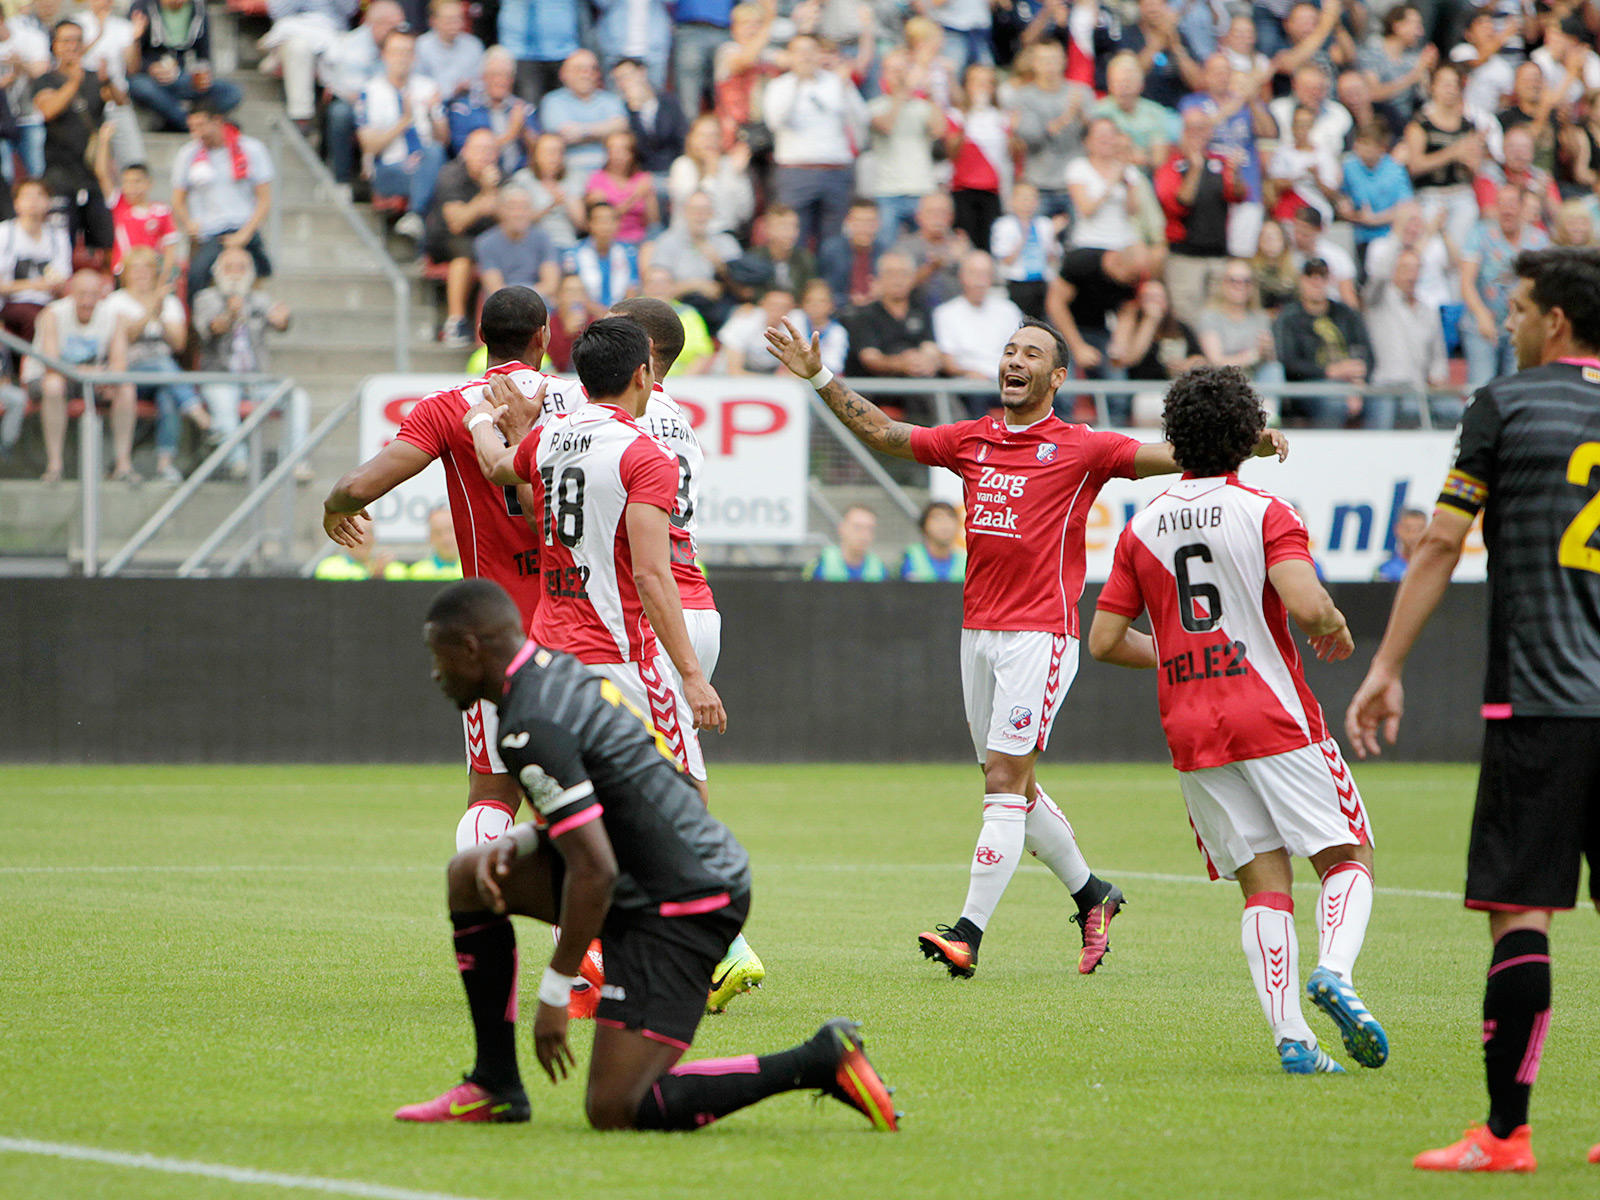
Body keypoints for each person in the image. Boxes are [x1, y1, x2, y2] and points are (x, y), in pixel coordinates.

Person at [766, 313, 1289, 979]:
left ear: (1057, 377)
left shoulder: (1082, 448)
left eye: (1032, 353)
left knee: (1003, 783)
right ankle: (1093, 895)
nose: (1015, 359)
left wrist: (1249, 444)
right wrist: (818, 376)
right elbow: (885, 433)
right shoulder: (971, 439)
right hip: (977, 635)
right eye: (1010, 350)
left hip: (1040, 635)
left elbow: (1176, 456)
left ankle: (967, 934)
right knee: (1014, 786)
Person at [396, 579, 897, 1132]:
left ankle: (819, 1060)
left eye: (438, 656)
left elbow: (594, 871)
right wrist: (526, 840)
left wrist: (557, 988)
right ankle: (494, 1086)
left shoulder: (528, 723)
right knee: (469, 874)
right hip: (645, 870)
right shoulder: (552, 672)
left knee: (615, 1107)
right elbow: (619, 794)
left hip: (686, 901)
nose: (435, 674)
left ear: (470, 649)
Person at [1345, 247, 1600, 1174]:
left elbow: (1443, 541)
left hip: (1542, 698)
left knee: (1520, 912)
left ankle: (1505, 1133)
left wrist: (1386, 667)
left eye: (1520, 309)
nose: (1510, 324)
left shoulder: (1507, 404)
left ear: (1556, 322)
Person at [1089, 364, 1381, 1077]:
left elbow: (1103, 640)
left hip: (1191, 726)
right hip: (1273, 714)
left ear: (1175, 436)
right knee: (1347, 855)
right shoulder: (1265, 511)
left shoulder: (1140, 528)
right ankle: (1335, 972)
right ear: (1247, 433)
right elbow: (1306, 604)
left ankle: (1293, 1040)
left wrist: (1178, 656)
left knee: (1263, 883)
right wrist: (1335, 624)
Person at [323, 287, 574, 852]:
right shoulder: (580, 402)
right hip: (573, 620)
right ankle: (584, 911)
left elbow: (357, 487)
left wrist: (335, 506)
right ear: (542, 337)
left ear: (481, 338)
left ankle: (481, 903)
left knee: (492, 793)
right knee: (575, 790)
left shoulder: (449, 407)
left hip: (494, 627)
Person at [465, 317, 721, 812]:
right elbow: (651, 574)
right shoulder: (647, 454)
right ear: (643, 374)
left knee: (571, 809)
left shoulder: (550, 436)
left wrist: (479, 422)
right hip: (621, 653)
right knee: (687, 800)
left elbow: (496, 466)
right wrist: (692, 675)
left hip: (552, 655)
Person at [191, 245, 310, 478]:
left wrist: (283, 319)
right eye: (229, 267)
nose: (236, 273)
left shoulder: (259, 299)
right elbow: (212, 328)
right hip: (220, 377)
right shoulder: (206, 298)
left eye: (241, 267)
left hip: (256, 380)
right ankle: (237, 463)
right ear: (218, 272)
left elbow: (279, 321)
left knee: (297, 398)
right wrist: (230, 315)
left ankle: (296, 462)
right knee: (224, 403)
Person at [106, 246, 205, 484]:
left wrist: (160, 314)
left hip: (164, 374)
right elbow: (125, 337)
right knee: (163, 366)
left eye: (147, 268)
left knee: (168, 394)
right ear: (126, 274)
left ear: (155, 273)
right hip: (129, 372)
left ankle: (165, 464)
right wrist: (151, 310)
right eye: (135, 269)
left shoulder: (169, 302)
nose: (141, 274)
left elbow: (179, 344)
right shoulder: (115, 301)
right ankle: (197, 411)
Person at [763, 34, 866, 251]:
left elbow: (861, 118)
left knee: (834, 244)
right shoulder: (779, 85)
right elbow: (775, 121)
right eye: (799, 51)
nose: (806, 57)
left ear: (819, 54)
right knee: (792, 240)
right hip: (796, 171)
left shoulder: (836, 82)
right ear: (790, 56)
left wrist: (846, 88)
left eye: (811, 51)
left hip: (835, 171)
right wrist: (798, 83)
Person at [30, 268, 133, 483]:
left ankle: (123, 465)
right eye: (82, 294)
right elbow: (51, 364)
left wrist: (103, 376)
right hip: (51, 378)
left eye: (93, 295)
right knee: (53, 385)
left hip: (93, 380)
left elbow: (119, 365)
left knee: (126, 387)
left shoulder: (115, 316)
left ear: (101, 294)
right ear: (71, 293)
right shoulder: (52, 314)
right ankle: (54, 465)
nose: (87, 301)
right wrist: (91, 373)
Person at [171, 99, 274, 305]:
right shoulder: (188, 154)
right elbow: (178, 198)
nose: (197, 133)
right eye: (193, 127)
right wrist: (189, 223)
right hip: (209, 232)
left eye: (201, 125)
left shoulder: (252, 149)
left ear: (217, 121)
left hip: (244, 226)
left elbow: (264, 199)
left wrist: (244, 234)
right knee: (196, 277)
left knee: (263, 270)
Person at [1157, 108, 1247, 326]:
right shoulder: (1171, 166)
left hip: (1218, 255)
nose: (1196, 134)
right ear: (1183, 132)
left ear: (1210, 132)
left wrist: (1236, 174)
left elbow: (1238, 195)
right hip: (1185, 256)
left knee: (1218, 318)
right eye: (1191, 128)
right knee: (1188, 318)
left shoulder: (1221, 163)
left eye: (1202, 128)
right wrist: (1195, 168)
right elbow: (1179, 204)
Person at [32, 19, 115, 251]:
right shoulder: (45, 79)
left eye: (78, 40)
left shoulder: (95, 77)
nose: (73, 46)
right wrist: (74, 82)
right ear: (55, 45)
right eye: (66, 41)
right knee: (61, 244)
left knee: (106, 242)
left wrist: (108, 80)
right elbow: (48, 110)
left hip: (94, 174)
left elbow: (119, 100)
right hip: (60, 174)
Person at [358, 29, 449, 238]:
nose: (402, 58)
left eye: (408, 52)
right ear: (385, 55)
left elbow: (443, 140)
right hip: (390, 167)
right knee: (439, 186)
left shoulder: (428, 87)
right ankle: (417, 219)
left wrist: (432, 115)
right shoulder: (370, 90)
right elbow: (369, 145)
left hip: (425, 164)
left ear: (415, 57)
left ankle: (415, 217)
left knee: (434, 155)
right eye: (397, 52)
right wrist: (405, 121)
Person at [1461, 183, 1551, 388]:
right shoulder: (1479, 234)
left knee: (1518, 386)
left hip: (1521, 327)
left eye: (1511, 203)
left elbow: (1545, 285)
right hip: (1482, 325)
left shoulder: (1538, 240)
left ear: (1522, 207)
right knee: (1480, 385)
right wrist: (1481, 315)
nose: (1506, 210)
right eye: (1501, 203)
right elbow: (1466, 282)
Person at [312, 1, 405, 189]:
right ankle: (341, 180)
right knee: (340, 114)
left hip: (392, 102)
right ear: (374, 24)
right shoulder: (353, 46)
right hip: (357, 104)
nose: (398, 32)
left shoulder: (401, 43)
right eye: (393, 26)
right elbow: (356, 94)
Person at [425, 128, 502, 347]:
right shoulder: (451, 174)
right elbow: (457, 223)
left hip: (488, 238)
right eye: (479, 150)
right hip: (447, 238)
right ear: (466, 152)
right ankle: (455, 321)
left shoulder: (502, 176)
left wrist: (492, 198)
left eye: (490, 151)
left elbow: (510, 218)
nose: (485, 156)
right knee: (466, 252)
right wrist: (487, 193)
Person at [1274, 257, 1372, 426]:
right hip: (1310, 386)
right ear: (1301, 280)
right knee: (1334, 403)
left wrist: (1357, 382)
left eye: (1322, 276)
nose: (1316, 282)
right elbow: (1289, 362)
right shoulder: (1288, 317)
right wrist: (1329, 371)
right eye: (1310, 276)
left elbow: (1366, 354)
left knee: (1381, 401)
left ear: (1329, 280)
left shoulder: (1346, 314)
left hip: (1352, 383)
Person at [1364, 247, 1452, 427]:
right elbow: (1378, 276)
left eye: (1415, 268)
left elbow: (1438, 354)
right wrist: (1397, 238)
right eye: (1405, 268)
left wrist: (1437, 375)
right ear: (1393, 270)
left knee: (1455, 411)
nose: (1411, 275)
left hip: (1418, 387)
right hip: (1385, 385)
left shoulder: (1428, 310)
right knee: (1382, 428)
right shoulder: (1379, 301)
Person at [866, 48, 943, 247]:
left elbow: (939, 130)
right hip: (887, 190)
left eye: (902, 70)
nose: (898, 76)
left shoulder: (922, 106)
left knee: (925, 249)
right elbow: (887, 126)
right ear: (883, 74)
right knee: (886, 248)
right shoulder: (874, 106)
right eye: (893, 70)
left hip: (921, 188)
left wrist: (930, 95)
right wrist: (901, 94)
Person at [934, 250, 1024, 417]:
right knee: (975, 396)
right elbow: (948, 362)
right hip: (968, 384)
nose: (979, 281)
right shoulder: (946, 313)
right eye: (974, 274)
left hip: (1006, 379)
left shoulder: (1008, 310)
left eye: (985, 274)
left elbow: (1022, 351)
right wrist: (969, 373)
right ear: (962, 276)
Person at [127, 0, 240, 133]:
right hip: (150, 80)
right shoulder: (142, 7)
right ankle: (190, 123)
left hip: (182, 78)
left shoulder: (198, 8)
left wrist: (203, 75)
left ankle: (174, 120)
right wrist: (149, 68)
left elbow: (204, 57)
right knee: (141, 86)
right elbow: (129, 64)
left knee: (232, 92)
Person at [1010, 41, 1093, 221]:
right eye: (1044, 60)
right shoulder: (1024, 97)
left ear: (1064, 61)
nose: (1049, 66)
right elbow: (1031, 139)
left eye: (1054, 60)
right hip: (1039, 185)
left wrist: (1082, 116)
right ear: (1034, 63)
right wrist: (1066, 117)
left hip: (1075, 184)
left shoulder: (1082, 93)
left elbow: (1095, 136)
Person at [259, 0, 362, 135]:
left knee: (348, 54)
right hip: (296, 32)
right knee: (298, 48)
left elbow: (351, 10)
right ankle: (301, 117)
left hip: (336, 34)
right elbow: (277, 11)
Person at [640, 191, 736, 324]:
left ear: (712, 213)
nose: (700, 216)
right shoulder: (667, 242)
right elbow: (656, 289)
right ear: (684, 212)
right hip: (679, 308)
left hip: (720, 307)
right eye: (695, 210)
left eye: (705, 210)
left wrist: (721, 267)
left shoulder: (727, 242)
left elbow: (743, 290)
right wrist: (696, 285)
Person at [944, 63, 1011, 253]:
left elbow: (1013, 154)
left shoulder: (1002, 117)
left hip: (993, 190)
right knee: (965, 244)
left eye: (987, 82)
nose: (982, 87)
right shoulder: (955, 115)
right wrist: (964, 123)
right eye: (977, 82)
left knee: (990, 246)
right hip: (962, 189)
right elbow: (951, 153)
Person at [448, 47, 537, 178]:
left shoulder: (524, 108)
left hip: (519, 176)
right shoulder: (463, 109)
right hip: (477, 177)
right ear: (483, 77)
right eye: (495, 75)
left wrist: (524, 132)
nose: (501, 81)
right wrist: (511, 133)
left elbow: (539, 153)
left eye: (506, 75)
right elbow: (463, 152)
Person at [1337, 120, 1412, 274]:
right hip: (1360, 235)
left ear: (1381, 148)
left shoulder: (1395, 170)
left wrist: (1374, 219)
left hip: (1388, 236)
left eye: (1368, 145)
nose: (1363, 149)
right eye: (1361, 143)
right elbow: (1342, 196)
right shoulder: (1349, 166)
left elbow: (1405, 207)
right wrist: (1347, 209)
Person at [0, 178, 70, 342]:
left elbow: (63, 277)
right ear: (16, 204)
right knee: (36, 319)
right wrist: (34, 285)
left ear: (48, 203)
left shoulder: (58, 237)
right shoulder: (4, 233)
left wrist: (56, 284)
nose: (33, 201)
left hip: (48, 303)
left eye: (39, 195)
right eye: (27, 196)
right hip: (12, 303)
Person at [539, 49, 627, 179]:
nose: (586, 75)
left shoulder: (611, 100)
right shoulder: (553, 101)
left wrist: (582, 131)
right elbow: (566, 133)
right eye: (579, 69)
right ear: (564, 74)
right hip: (567, 173)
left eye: (592, 69)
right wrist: (603, 131)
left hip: (609, 172)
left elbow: (620, 127)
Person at [1197, 259, 1282, 386]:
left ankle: (1267, 400)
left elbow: (1270, 359)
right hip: (1221, 381)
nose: (1240, 286)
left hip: (1255, 379)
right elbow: (1216, 362)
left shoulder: (1261, 317)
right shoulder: (1210, 317)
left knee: (1274, 369)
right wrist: (1253, 356)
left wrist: (1267, 351)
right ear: (1222, 284)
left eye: (1246, 281)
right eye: (1233, 281)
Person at [667, 114, 754, 237]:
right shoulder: (683, 165)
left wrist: (737, 176)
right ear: (691, 139)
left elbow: (744, 213)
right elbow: (694, 209)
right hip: (688, 237)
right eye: (703, 135)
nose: (709, 141)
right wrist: (711, 176)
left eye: (714, 135)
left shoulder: (730, 165)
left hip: (724, 235)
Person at [1091, 52, 1175, 168]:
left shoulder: (1155, 112)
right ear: (1109, 84)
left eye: (1128, 82)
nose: (1123, 88)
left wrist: (1140, 157)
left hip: (1146, 170)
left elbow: (1159, 158)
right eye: (1118, 82)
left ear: (1141, 84)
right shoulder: (1099, 112)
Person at [989, 181, 1058, 320]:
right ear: (1012, 201)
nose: (1028, 203)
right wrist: (1024, 235)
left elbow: (1052, 258)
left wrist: (1053, 236)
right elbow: (1006, 260)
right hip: (1017, 282)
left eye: (1032, 198)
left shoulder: (1045, 224)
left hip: (1042, 282)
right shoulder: (1004, 225)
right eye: (1024, 198)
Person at [475, 186, 560, 297]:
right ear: (500, 210)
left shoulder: (543, 238)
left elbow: (550, 285)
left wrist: (526, 297)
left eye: (524, 207)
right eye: (512, 208)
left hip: (538, 300)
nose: (519, 214)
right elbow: (494, 288)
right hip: (503, 302)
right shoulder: (486, 243)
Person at [613, 57, 685, 176]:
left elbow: (681, 138)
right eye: (618, 80)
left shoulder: (669, 102)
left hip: (674, 169)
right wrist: (635, 111)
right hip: (643, 174)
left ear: (642, 73)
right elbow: (638, 150)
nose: (624, 83)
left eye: (626, 76)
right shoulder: (624, 110)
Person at [585, 130, 656, 245]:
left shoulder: (642, 178)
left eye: (624, 150)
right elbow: (602, 218)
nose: (618, 154)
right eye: (613, 149)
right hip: (609, 241)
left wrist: (649, 196)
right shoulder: (596, 179)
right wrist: (635, 197)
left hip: (640, 239)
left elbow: (653, 221)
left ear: (632, 154)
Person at [573, 200, 639, 309]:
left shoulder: (629, 252)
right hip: (586, 313)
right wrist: (601, 313)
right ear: (589, 224)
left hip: (621, 313)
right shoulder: (575, 253)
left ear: (618, 224)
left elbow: (632, 288)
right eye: (600, 220)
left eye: (610, 220)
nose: (605, 226)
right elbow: (573, 291)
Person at [817, 197, 881, 310]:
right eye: (859, 222)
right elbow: (824, 290)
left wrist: (881, 293)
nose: (864, 228)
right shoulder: (832, 250)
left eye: (870, 222)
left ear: (878, 223)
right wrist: (849, 300)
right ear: (848, 222)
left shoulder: (885, 253)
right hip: (839, 312)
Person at [414, 0, 483, 102]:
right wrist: (450, 91)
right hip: (431, 102)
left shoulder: (473, 45)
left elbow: (480, 82)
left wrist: (469, 85)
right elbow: (417, 82)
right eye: (449, 20)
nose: (454, 25)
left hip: (466, 103)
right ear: (433, 21)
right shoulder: (421, 46)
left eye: (458, 19)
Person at [720, 285, 795, 373]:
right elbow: (734, 370)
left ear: (792, 308)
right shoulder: (743, 321)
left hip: (771, 376)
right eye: (773, 305)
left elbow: (795, 372)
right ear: (762, 304)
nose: (778, 311)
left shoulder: (797, 323)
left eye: (784, 307)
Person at [807, 504, 888, 581]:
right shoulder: (820, 564)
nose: (865, 535)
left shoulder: (879, 569)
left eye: (870, 529)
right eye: (858, 527)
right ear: (841, 528)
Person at [901, 500, 966, 581]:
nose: (945, 523)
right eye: (937, 518)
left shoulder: (965, 562)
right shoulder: (910, 557)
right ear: (924, 525)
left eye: (950, 517)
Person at [407, 504, 464, 579]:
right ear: (430, 537)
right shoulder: (416, 574)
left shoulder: (473, 571)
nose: (445, 538)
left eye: (450, 530)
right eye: (438, 533)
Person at [1372, 507, 1427, 581]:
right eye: (1408, 529)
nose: (1414, 536)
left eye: (1420, 529)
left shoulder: (1437, 567)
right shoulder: (1385, 570)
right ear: (1398, 530)